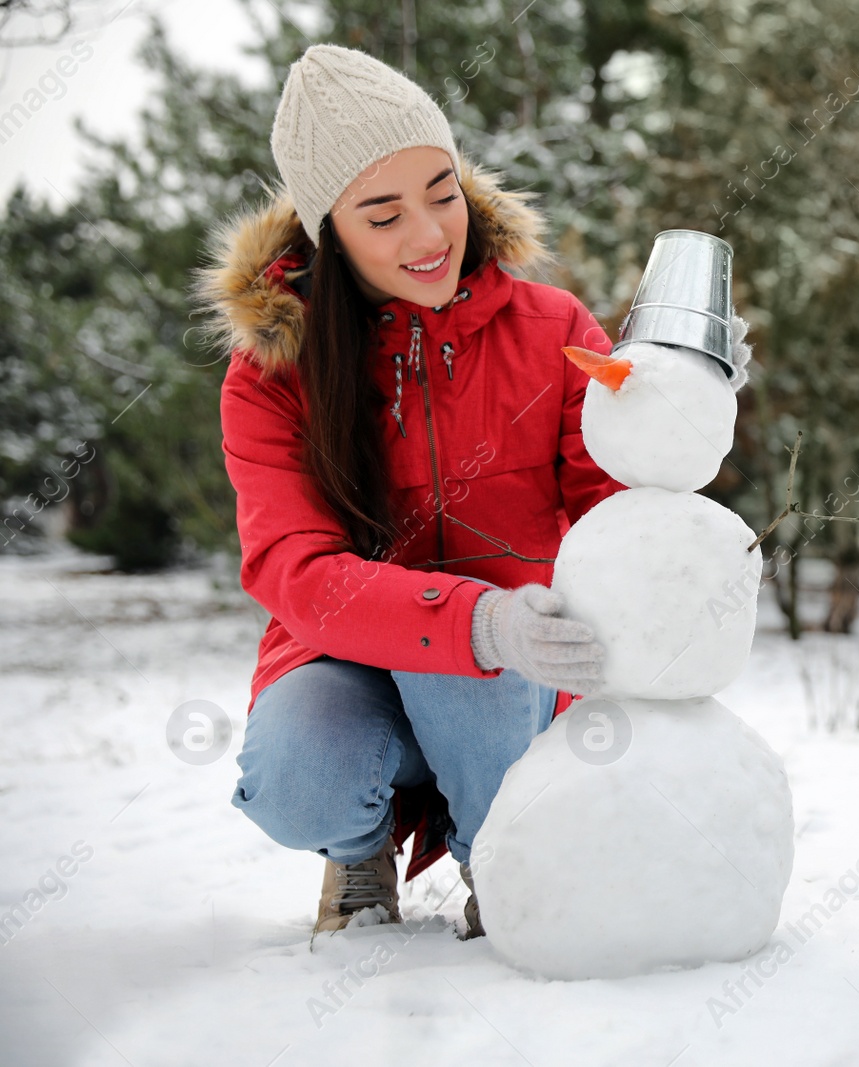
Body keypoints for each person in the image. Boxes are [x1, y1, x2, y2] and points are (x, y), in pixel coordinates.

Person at [196, 43, 642, 941]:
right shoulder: (273, 374)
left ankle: (503, 858)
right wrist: (475, 619)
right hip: (349, 667)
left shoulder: (551, 326)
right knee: (297, 769)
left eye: (442, 192)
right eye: (383, 214)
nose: (431, 235)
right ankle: (358, 849)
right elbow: (297, 570)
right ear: (330, 230)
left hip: (519, 680)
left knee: (470, 664)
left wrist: (678, 398)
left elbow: (621, 506)